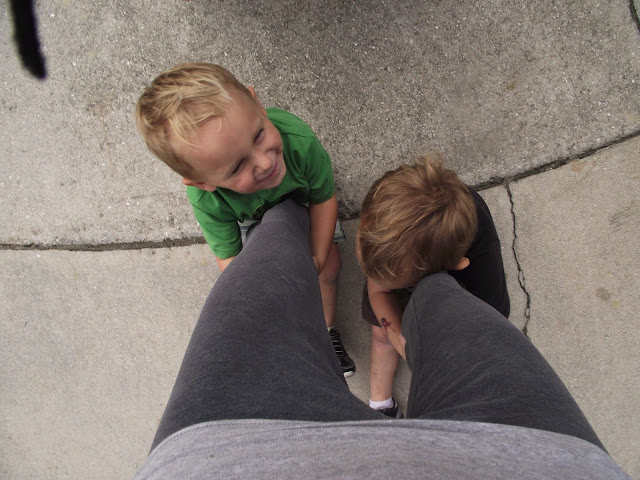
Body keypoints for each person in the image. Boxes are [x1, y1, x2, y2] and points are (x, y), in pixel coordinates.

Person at [135, 200, 629, 480]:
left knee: (275, 258)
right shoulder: (432, 287)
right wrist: (401, 334)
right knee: (438, 299)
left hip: (221, 456)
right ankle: (381, 401)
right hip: (536, 458)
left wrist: (402, 335)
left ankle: (283, 218)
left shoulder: (465, 267)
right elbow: (382, 288)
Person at [135, 62, 354, 376]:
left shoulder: (298, 140)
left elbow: (323, 199)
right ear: (203, 182)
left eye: (259, 135)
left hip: (305, 201)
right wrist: (262, 292)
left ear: (257, 103)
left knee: (330, 267)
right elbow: (230, 259)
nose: (264, 162)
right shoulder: (207, 199)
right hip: (254, 224)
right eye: (237, 167)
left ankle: (327, 329)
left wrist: (317, 258)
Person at [356, 153, 510, 417]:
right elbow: (378, 289)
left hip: (433, 267)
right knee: (381, 333)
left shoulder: (478, 266)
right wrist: (401, 342)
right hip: (401, 256)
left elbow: (490, 325)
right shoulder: (383, 241)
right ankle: (381, 403)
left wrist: (433, 360)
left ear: (456, 265)